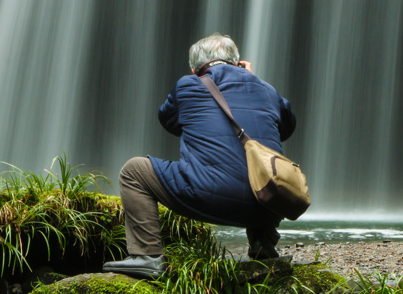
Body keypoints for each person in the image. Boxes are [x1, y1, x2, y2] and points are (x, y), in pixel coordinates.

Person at [102, 33, 297, 279]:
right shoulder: (267, 89)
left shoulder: (188, 85)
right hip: (270, 203)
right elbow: (287, 128)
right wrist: (250, 78)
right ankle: (263, 246)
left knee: (134, 170)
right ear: (237, 62)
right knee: (264, 165)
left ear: (195, 68)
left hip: (206, 196)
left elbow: (169, 121)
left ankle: (147, 256)